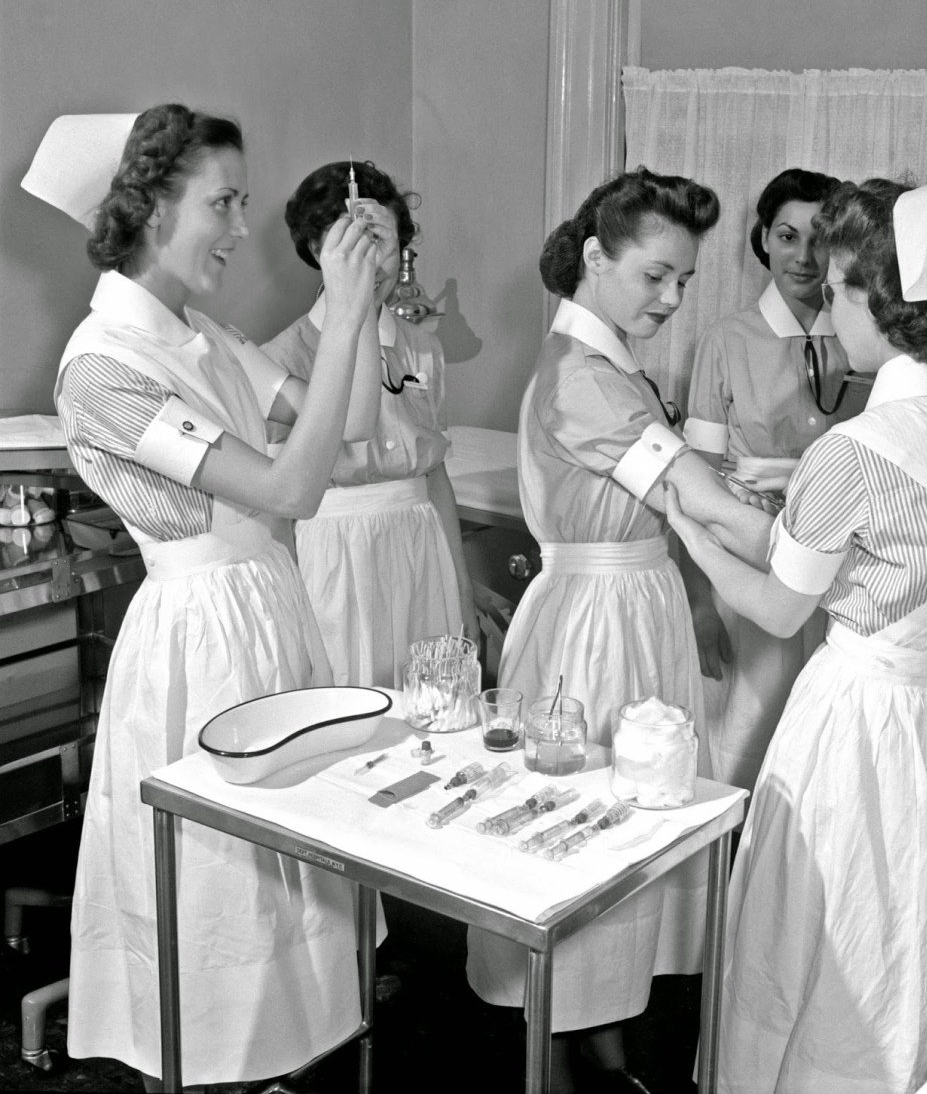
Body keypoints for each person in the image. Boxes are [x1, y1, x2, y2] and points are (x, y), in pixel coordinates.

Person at [667, 156, 927, 1092]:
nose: (825, 304)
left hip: (863, 731)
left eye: (840, 288)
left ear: (889, 301)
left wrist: (684, 517)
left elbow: (777, 603)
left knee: (838, 945)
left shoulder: (856, 448)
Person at [29, 104, 386, 1090]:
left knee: (284, 892)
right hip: (200, 642)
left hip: (268, 612)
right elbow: (288, 487)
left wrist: (355, 302)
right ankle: (208, 1067)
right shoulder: (105, 368)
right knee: (213, 897)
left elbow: (347, 420)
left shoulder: (201, 332)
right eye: (222, 202)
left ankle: (271, 1065)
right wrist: (346, 314)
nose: (239, 225)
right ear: (150, 208)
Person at [464, 166, 771, 1093]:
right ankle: (549, 1044)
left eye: (685, 280)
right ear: (596, 257)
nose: (674, 298)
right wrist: (800, 530)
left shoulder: (613, 365)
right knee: (583, 816)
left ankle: (602, 1030)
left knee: (635, 811)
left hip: (639, 605)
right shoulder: (583, 378)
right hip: (594, 618)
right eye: (656, 276)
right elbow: (688, 491)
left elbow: (678, 484)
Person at [683, 167, 869, 790]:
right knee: (749, 722)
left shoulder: (862, 340)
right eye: (787, 237)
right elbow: (696, 480)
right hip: (750, 553)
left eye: (820, 240)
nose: (805, 258)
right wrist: (699, 601)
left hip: (841, 561)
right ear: (763, 238)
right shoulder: (726, 339)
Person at [262, 160, 477, 693]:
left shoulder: (422, 347)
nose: (372, 260)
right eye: (353, 238)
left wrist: (464, 597)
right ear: (318, 249)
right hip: (332, 557)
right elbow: (276, 508)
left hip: (420, 547)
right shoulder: (278, 359)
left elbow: (435, 476)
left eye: (383, 239)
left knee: (434, 706)